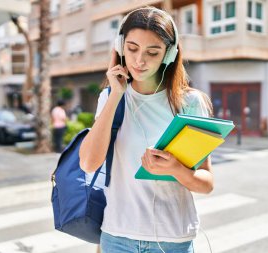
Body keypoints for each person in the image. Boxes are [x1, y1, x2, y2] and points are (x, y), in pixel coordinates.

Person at [79, 7, 214, 253]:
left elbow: (206, 183)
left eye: (152, 52)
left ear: (169, 54)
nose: (139, 60)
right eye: (132, 49)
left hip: (173, 241)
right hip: (117, 238)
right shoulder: (110, 98)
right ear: (119, 47)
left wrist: (174, 169)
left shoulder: (191, 103)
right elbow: (88, 163)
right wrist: (115, 95)